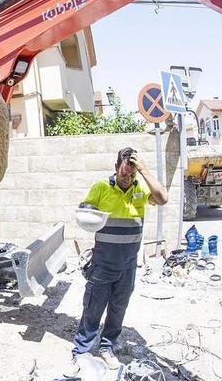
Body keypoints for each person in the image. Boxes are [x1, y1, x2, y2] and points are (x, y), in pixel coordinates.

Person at [70, 147, 168, 371]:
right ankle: (81, 351)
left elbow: (162, 198)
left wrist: (143, 170)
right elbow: (85, 211)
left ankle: (106, 347)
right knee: (93, 308)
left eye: (132, 174)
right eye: (124, 173)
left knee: (118, 309)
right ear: (116, 168)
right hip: (103, 263)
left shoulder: (140, 189)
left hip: (128, 265)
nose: (127, 178)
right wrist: (87, 214)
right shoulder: (102, 187)